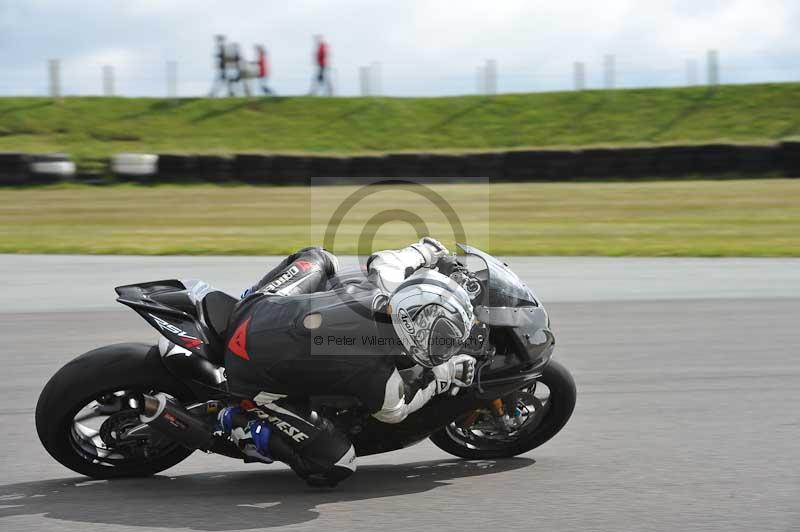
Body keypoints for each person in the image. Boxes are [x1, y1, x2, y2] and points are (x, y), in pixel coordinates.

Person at [218, 238, 477, 486]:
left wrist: (426, 250)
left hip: (253, 308)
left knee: (321, 258)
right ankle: (242, 425)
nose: (446, 346)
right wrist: (445, 374)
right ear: (416, 332)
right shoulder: (375, 372)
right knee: (336, 465)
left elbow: (388, 259)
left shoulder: (386, 286)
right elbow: (396, 411)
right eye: (442, 339)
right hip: (250, 379)